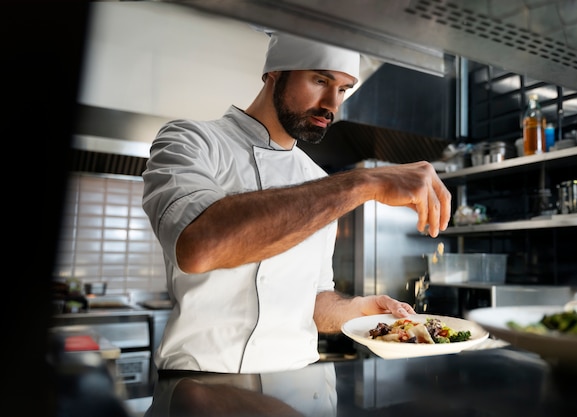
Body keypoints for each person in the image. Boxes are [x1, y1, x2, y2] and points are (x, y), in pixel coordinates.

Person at [142, 31, 451, 378]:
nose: (332, 104)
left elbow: (315, 300)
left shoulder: (318, 179)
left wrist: (361, 309)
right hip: (201, 386)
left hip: (302, 387)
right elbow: (198, 247)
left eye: (344, 89)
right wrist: (364, 182)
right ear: (275, 72)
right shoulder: (191, 141)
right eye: (320, 80)